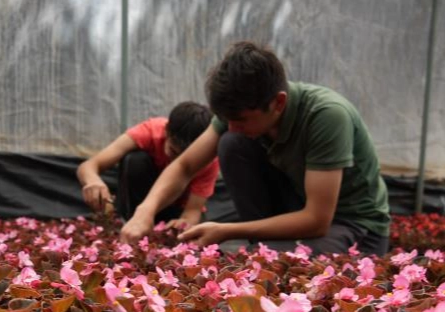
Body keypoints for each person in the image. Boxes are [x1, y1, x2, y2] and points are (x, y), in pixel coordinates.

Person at [119, 41, 391, 256]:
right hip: (296, 206)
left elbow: (317, 220)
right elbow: (185, 165)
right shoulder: (239, 113)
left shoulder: (327, 116)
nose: (232, 126)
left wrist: (228, 231)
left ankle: (263, 246)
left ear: (278, 103)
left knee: (258, 258)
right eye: (227, 119)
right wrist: (145, 211)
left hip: (352, 227)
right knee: (231, 143)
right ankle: (263, 243)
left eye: (240, 120)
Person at [77, 101, 219, 228]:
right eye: (173, 151)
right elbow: (89, 166)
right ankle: (129, 220)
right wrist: (93, 181)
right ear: (166, 130)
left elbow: (193, 210)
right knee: (135, 160)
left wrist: (184, 223)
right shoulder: (149, 132)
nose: (178, 163)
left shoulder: (207, 158)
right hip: (138, 203)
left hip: (175, 209)